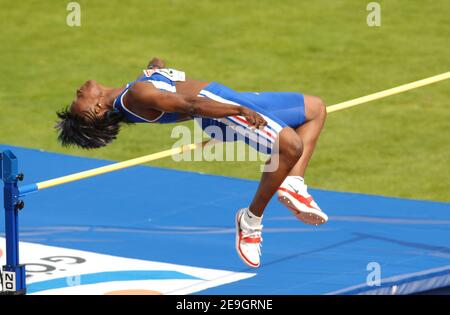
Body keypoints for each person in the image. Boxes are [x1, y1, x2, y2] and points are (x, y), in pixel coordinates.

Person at [56, 57, 328, 268]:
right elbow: (190, 105)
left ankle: (293, 182)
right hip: (220, 110)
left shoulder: (131, 91)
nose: (78, 91)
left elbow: (154, 82)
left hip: (227, 98)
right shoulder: (135, 96)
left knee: (315, 108)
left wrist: (154, 67)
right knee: (290, 146)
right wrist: (238, 110)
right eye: (78, 100)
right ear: (97, 112)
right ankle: (250, 221)